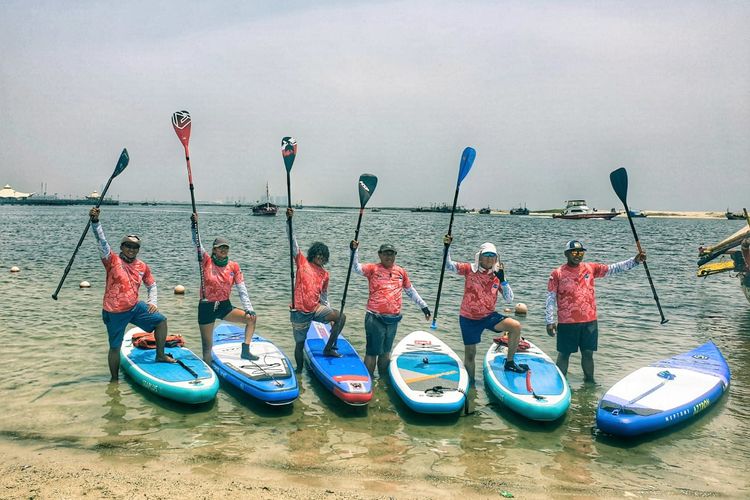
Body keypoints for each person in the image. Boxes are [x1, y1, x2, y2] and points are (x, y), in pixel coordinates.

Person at [89, 207, 175, 381]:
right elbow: (101, 241)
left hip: (135, 307)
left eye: (135, 247)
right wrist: (95, 222)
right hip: (114, 312)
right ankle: (114, 381)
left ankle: (160, 355)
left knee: (161, 321)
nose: (131, 249)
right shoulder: (111, 260)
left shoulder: (142, 266)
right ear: (122, 247)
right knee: (115, 347)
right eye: (128, 246)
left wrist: (153, 302)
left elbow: (152, 284)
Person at [546, 240, 646, 383]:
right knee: (564, 354)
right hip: (567, 323)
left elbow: (613, 268)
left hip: (589, 322)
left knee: (588, 354)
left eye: (581, 252)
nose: (578, 255)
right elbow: (550, 298)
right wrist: (549, 321)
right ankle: (558, 383)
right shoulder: (557, 273)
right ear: (566, 254)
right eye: (574, 252)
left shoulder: (590, 268)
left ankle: (590, 383)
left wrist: (635, 261)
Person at [444, 235, 525, 383]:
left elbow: (509, 299)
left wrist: (503, 280)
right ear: (479, 257)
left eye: (492, 256)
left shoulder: (497, 275)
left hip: (488, 316)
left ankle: (510, 362)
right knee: (470, 354)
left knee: (515, 326)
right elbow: (447, 265)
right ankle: (471, 384)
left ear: (496, 259)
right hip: (468, 318)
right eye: (486, 255)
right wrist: (446, 247)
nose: (489, 259)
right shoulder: (469, 269)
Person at [351, 240, 431, 378]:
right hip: (374, 317)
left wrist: (423, 306)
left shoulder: (400, 271)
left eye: (392, 254)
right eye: (386, 254)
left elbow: (410, 290)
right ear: (379, 255)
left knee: (386, 352)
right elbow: (355, 268)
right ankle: (368, 381)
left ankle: (383, 382)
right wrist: (354, 251)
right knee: (372, 352)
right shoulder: (372, 269)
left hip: (393, 319)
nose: (389, 257)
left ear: (395, 255)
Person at [190, 213, 257, 365]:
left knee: (252, 319)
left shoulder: (234, 266)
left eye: (226, 248)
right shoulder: (205, 260)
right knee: (207, 347)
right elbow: (197, 243)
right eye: (220, 248)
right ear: (214, 250)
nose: (223, 250)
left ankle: (245, 350)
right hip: (207, 306)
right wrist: (194, 226)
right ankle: (209, 370)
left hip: (224, 306)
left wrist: (249, 308)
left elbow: (241, 288)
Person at [286, 207, 346, 371]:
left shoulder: (325, 274)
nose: (320, 258)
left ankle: (328, 348)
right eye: (318, 255)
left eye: (323, 256)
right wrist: (289, 221)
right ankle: (299, 371)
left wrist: (330, 314)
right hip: (299, 312)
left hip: (315, 309)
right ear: (312, 254)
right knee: (299, 344)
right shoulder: (302, 262)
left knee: (341, 317)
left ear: (326, 258)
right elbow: (293, 243)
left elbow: (324, 296)